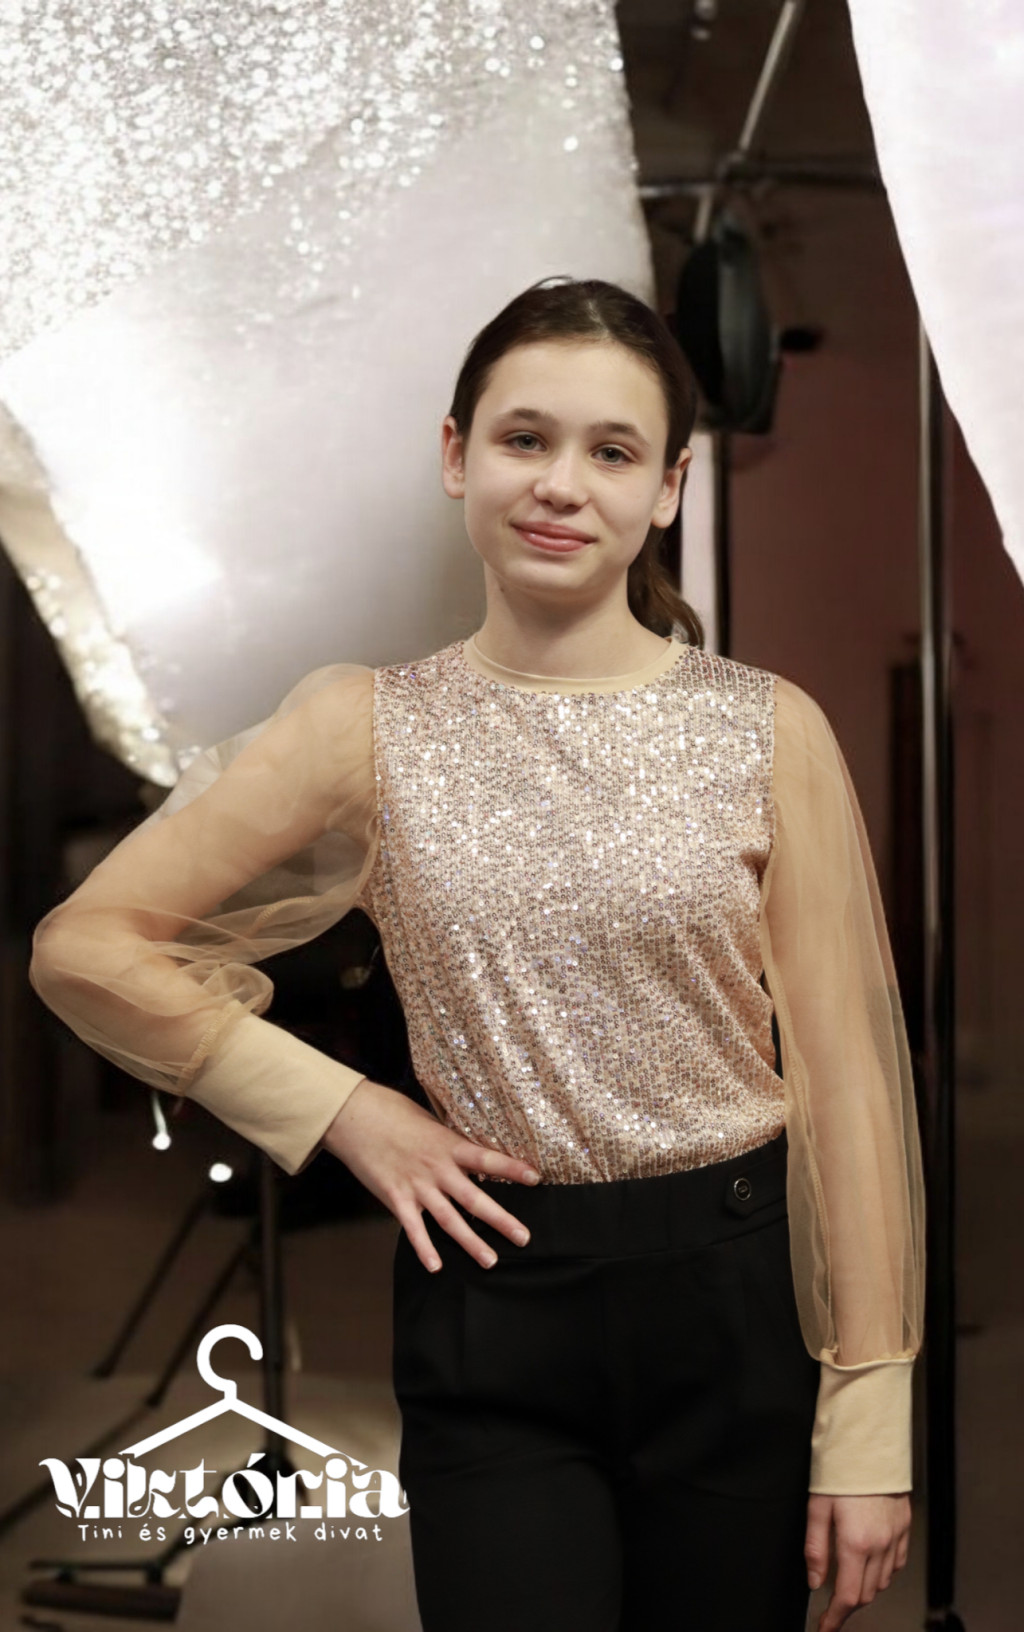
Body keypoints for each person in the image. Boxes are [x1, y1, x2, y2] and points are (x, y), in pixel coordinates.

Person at [29, 276, 926, 1632]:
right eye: (524, 438)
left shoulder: (766, 730)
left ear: (669, 489)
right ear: (457, 456)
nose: (561, 483)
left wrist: (867, 1425)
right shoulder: (363, 726)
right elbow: (88, 947)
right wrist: (347, 1111)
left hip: (733, 1301)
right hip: (494, 1297)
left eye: (611, 451)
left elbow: (850, 1087)